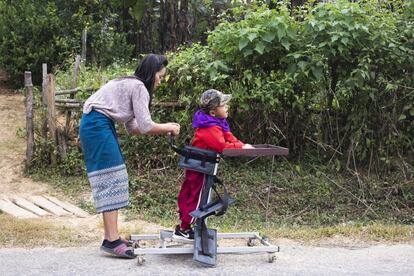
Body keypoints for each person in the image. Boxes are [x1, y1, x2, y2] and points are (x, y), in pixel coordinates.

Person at [79, 54, 180, 258]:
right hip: (97, 125)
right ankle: (111, 240)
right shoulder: (139, 87)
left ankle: (110, 237)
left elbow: (133, 128)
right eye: (160, 77)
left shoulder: (129, 84)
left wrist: (162, 128)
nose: (160, 82)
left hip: (96, 124)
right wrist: (168, 126)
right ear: (152, 74)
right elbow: (145, 126)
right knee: (112, 178)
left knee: (112, 177)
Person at [172, 89, 253, 242]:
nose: (227, 106)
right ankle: (184, 229)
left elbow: (229, 138)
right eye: (224, 104)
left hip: (200, 166)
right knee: (196, 197)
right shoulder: (209, 128)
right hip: (199, 168)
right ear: (213, 112)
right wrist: (241, 147)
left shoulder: (217, 123)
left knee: (192, 195)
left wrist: (243, 146)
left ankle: (185, 226)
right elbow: (222, 146)